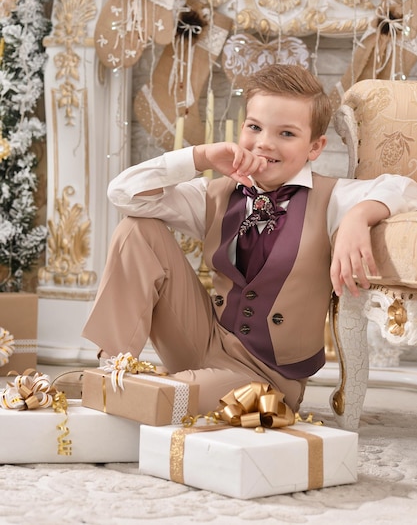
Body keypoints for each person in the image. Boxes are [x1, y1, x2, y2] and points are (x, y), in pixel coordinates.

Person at [82, 64, 417, 413]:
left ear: (315, 147)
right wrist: (201, 157)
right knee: (137, 228)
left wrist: (359, 216)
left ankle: (133, 394)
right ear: (242, 128)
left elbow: (406, 188)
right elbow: (124, 194)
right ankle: (113, 371)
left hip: (266, 376)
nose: (264, 143)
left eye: (286, 134)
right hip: (201, 340)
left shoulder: (331, 198)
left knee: (160, 400)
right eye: (255, 127)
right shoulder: (216, 195)